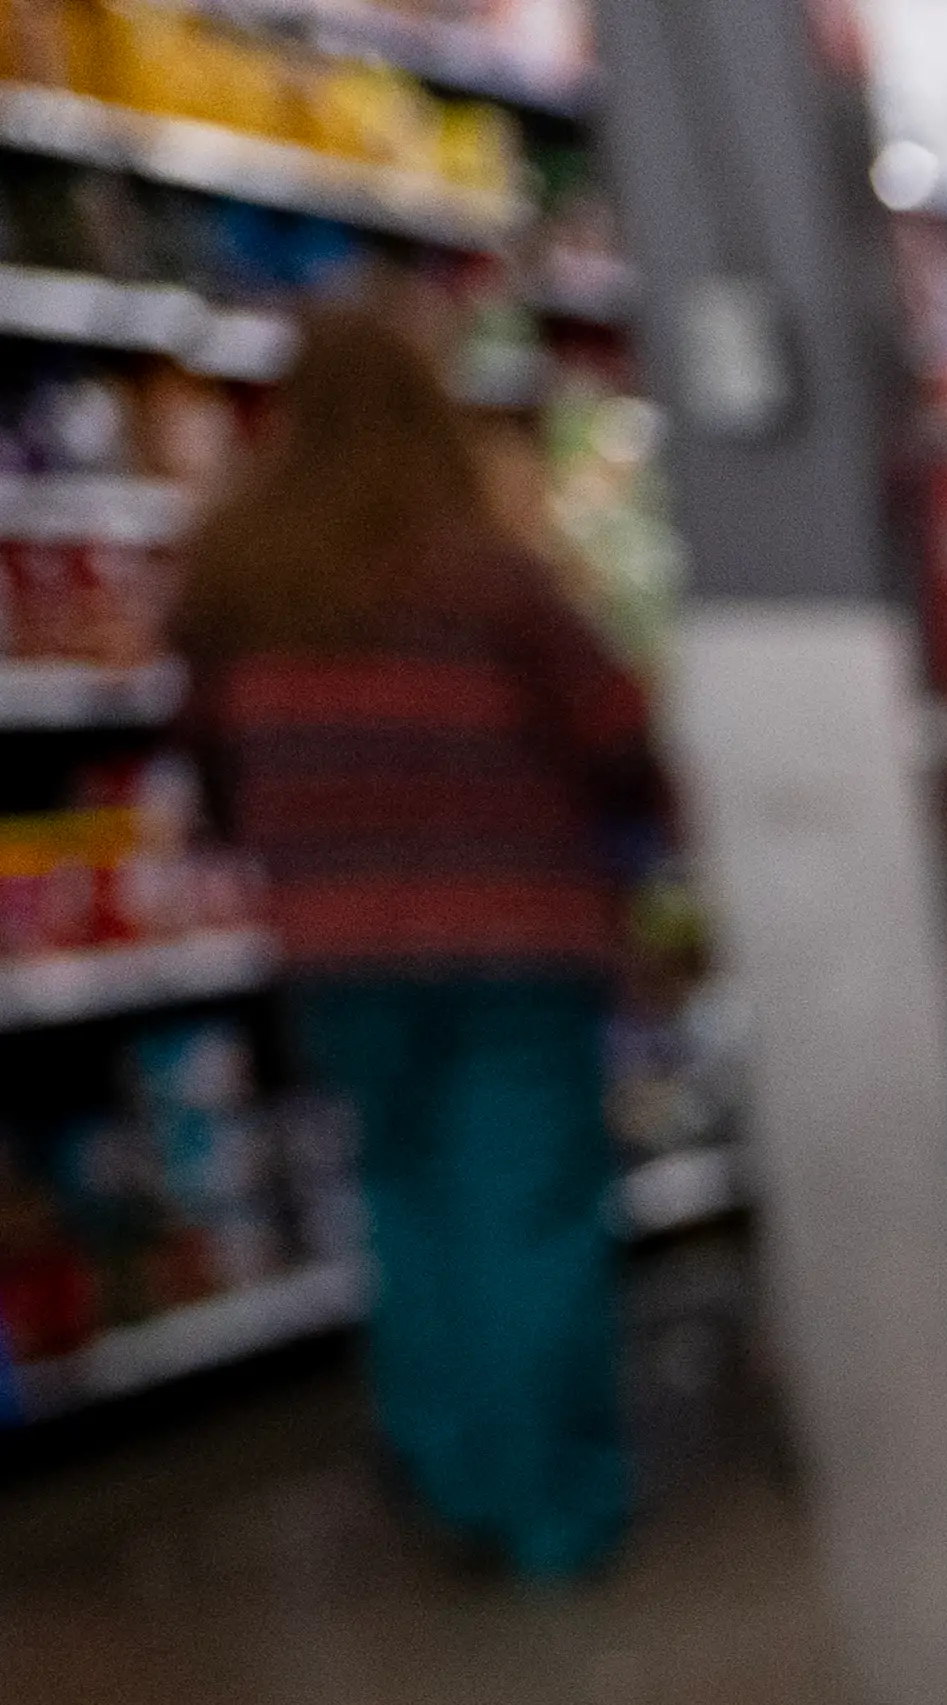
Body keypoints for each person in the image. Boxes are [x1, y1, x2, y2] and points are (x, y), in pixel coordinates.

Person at [172, 298, 665, 1583]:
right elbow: (614, 732)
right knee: (532, 1213)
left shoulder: (237, 570)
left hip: (336, 948)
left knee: (409, 1208)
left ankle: (452, 1481)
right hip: (511, 936)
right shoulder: (482, 571)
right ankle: (554, 1505)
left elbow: (209, 766)